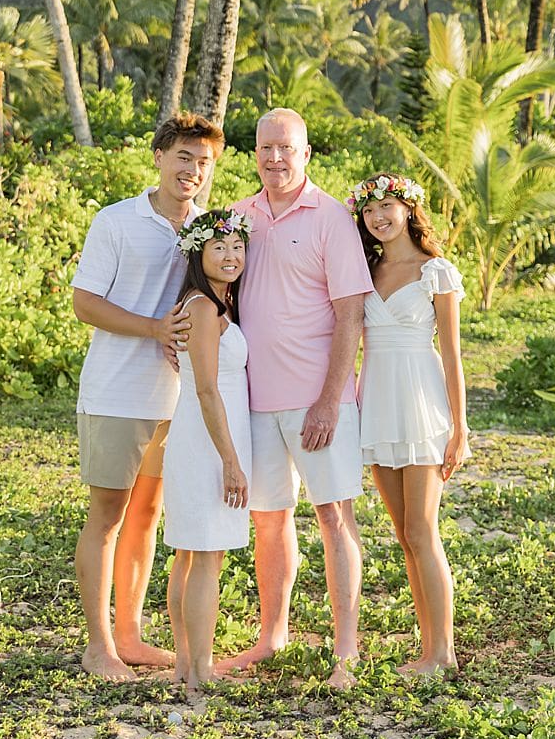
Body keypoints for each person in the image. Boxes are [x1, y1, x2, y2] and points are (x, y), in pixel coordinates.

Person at [70, 111, 225, 681]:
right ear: (159, 157)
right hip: (117, 393)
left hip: (177, 399)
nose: (193, 170)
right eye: (184, 157)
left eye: (204, 162)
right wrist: (155, 328)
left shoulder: (210, 228)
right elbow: (85, 302)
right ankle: (99, 647)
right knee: (107, 518)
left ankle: (131, 637)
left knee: (147, 518)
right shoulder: (116, 222)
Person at [227, 108, 373, 689]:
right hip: (255, 400)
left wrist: (328, 399)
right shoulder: (237, 218)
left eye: (287, 148)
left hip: (320, 399)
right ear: (255, 152)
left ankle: (345, 649)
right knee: (269, 519)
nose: (276, 158)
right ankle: (273, 635)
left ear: (306, 153)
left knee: (334, 516)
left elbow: (350, 314)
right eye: (266, 147)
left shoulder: (332, 218)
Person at [351, 172, 469, 677]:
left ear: (408, 210)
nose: (379, 217)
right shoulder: (364, 271)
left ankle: (442, 654)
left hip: (421, 406)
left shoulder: (435, 271)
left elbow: (453, 355)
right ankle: (428, 648)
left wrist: (460, 427)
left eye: (388, 207)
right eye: (370, 210)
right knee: (403, 533)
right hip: (378, 403)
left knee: (423, 530)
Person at [163, 209, 252, 696]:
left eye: (237, 246)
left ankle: (184, 662)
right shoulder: (200, 306)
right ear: (199, 253)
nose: (231, 255)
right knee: (205, 556)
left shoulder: (219, 304)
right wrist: (231, 461)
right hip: (208, 440)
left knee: (190, 553)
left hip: (211, 435)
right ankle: (200, 666)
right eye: (219, 247)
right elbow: (206, 390)